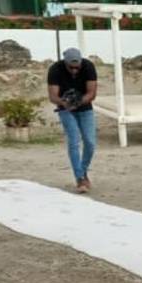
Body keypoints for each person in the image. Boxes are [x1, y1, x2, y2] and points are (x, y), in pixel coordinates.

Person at [47, 47, 98, 193]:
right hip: (65, 109)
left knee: (90, 142)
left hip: (85, 107)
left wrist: (79, 102)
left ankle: (83, 171)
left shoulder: (88, 67)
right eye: (71, 67)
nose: (74, 70)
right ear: (65, 63)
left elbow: (92, 93)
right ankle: (80, 178)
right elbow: (52, 96)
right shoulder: (55, 69)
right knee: (74, 140)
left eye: (77, 67)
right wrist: (64, 103)